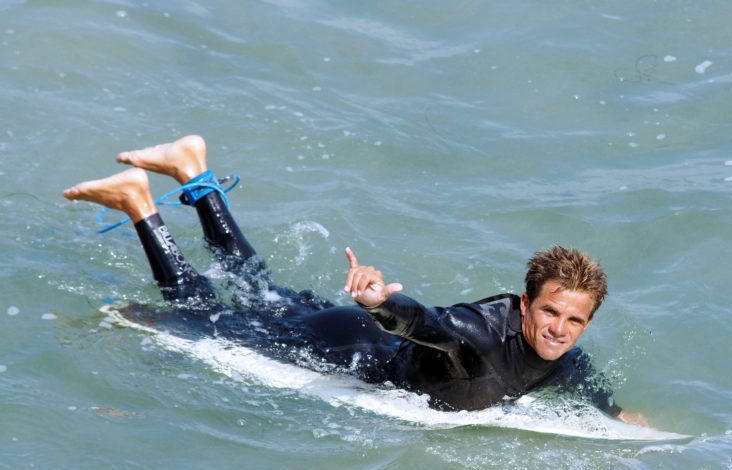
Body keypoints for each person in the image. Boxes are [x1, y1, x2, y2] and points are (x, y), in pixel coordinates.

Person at [63, 135, 648, 426]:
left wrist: (615, 415)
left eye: (574, 320)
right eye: (551, 313)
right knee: (206, 312)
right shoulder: (480, 333)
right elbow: (433, 325)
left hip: (356, 333)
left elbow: (579, 378)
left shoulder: (566, 359)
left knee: (255, 286)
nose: (560, 330)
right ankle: (140, 205)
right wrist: (381, 304)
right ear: (525, 305)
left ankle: (193, 169)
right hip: (342, 345)